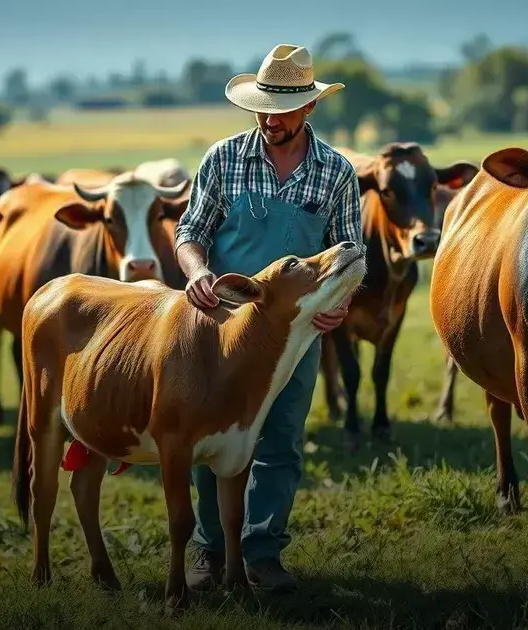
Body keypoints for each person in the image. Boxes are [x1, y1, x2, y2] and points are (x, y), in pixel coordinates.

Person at [174, 43, 365, 593]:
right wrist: (195, 272)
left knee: (281, 440)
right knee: (210, 442)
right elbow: (191, 233)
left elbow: (351, 250)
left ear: (309, 108)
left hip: (298, 334)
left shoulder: (335, 171)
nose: (268, 119)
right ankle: (210, 552)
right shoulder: (223, 158)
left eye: (280, 109)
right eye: (261, 107)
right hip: (221, 329)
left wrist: (341, 301)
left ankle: (262, 553)